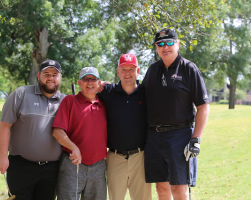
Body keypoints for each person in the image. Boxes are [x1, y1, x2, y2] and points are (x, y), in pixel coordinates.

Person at [142, 28, 210, 200]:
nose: (165, 47)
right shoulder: (152, 70)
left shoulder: (189, 69)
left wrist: (196, 139)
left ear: (178, 44)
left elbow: (203, 106)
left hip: (180, 137)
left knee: (180, 190)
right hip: (154, 137)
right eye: (160, 44)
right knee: (161, 189)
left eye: (169, 43)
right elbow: (139, 96)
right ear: (156, 47)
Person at [0, 60, 66, 200]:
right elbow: (5, 125)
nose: (50, 78)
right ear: (39, 75)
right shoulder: (20, 94)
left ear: (60, 77)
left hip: (52, 170)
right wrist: (3, 156)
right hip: (21, 167)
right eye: (46, 74)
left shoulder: (66, 101)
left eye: (54, 74)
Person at [97, 53, 152, 200]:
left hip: (140, 157)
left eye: (131, 69)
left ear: (138, 71)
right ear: (118, 72)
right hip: (115, 157)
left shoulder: (146, 93)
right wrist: (100, 83)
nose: (127, 73)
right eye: (124, 69)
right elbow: (89, 89)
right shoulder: (108, 92)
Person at [52, 67, 107, 200]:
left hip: (99, 166)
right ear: (79, 83)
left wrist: (108, 84)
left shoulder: (105, 104)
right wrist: (74, 147)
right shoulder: (69, 101)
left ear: (98, 83)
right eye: (86, 79)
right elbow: (57, 132)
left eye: (93, 79)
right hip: (73, 164)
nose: (89, 82)